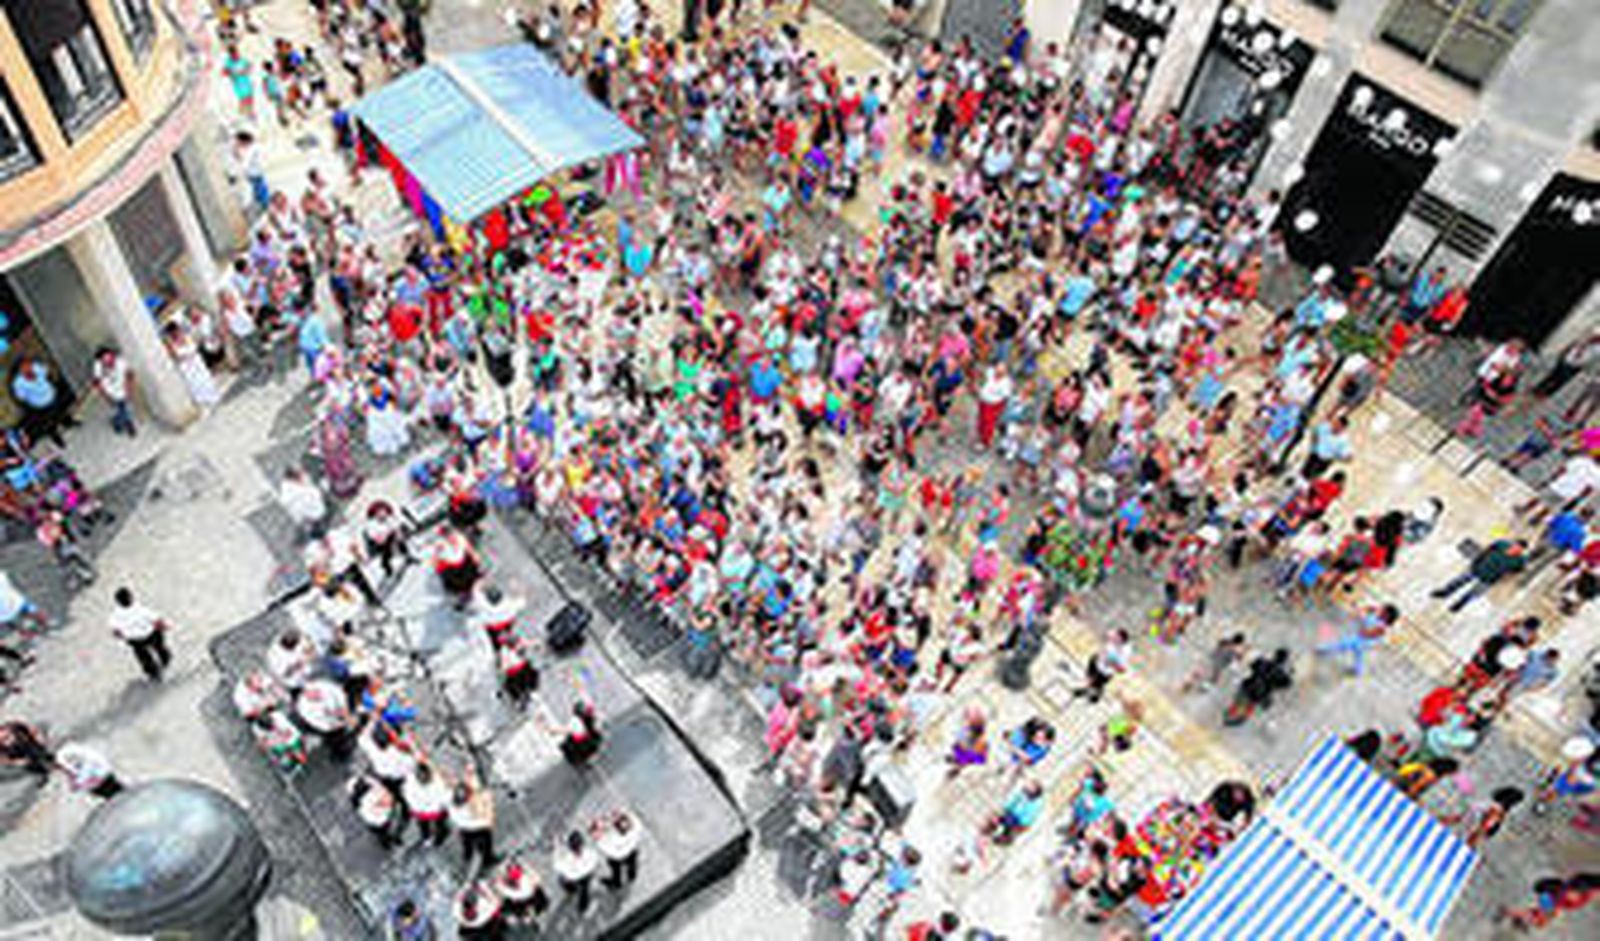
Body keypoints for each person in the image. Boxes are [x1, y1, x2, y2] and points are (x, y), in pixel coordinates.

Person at [1430, 538, 1528, 612]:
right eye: (1516, 546)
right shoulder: (1501, 544)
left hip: (1490, 578)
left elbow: (1517, 570)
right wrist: (1477, 561)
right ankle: (1444, 592)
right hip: (1479, 568)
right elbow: (1487, 550)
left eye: (1519, 549)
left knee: (1474, 593)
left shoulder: (1520, 560)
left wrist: (1503, 577)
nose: (1516, 549)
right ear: (1513, 544)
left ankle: (1459, 604)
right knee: (1459, 580)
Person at [108, 586, 173, 682]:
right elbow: (154, 620)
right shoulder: (140, 610)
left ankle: (152, 671)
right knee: (159, 645)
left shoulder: (115, 616)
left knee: (142, 654)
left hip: (134, 639)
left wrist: (123, 637)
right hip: (150, 634)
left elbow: (116, 631)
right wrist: (164, 625)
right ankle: (165, 657)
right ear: (130, 597)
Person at [11, 358, 75, 448]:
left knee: (61, 411)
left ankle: (68, 422)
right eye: (24, 367)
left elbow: (47, 373)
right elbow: (21, 398)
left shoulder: (36, 368)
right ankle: (56, 438)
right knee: (49, 423)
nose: (28, 368)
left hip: (52, 396)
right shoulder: (18, 383)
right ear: (20, 371)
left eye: (29, 364)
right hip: (41, 406)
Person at [453, 768, 497, 870]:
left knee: (467, 844)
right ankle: (487, 860)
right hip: (478, 827)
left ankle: (468, 858)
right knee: (485, 842)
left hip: (464, 829)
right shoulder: (471, 806)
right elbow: (484, 816)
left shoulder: (454, 804)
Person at [90, 347, 137, 437]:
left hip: (122, 387)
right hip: (111, 391)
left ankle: (121, 422)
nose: (108, 362)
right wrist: (105, 396)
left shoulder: (121, 361)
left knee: (123, 407)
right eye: (105, 360)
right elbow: (97, 382)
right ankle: (124, 423)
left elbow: (130, 374)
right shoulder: (98, 366)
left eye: (110, 359)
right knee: (122, 407)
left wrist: (130, 388)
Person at [555, 828, 600, 913]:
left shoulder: (566, 858)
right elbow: (595, 859)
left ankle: (579, 902)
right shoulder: (588, 852)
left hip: (575, 877)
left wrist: (558, 847)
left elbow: (557, 864)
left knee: (564, 881)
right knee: (584, 890)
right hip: (585, 876)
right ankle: (581, 904)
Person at [278, 467, 327, 542]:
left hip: (309, 514)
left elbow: (314, 495)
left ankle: (319, 536)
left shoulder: (293, 489)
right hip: (309, 513)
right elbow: (314, 496)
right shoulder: (295, 490)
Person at [597, 809, 641, 889]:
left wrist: (600, 828)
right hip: (631, 850)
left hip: (617, 856)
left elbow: (602, 844)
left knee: (616, 870)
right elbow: (636, 822)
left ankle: (616, 883)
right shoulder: (634, 829)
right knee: (632, 863)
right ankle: (632, 875)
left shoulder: (612, 838)